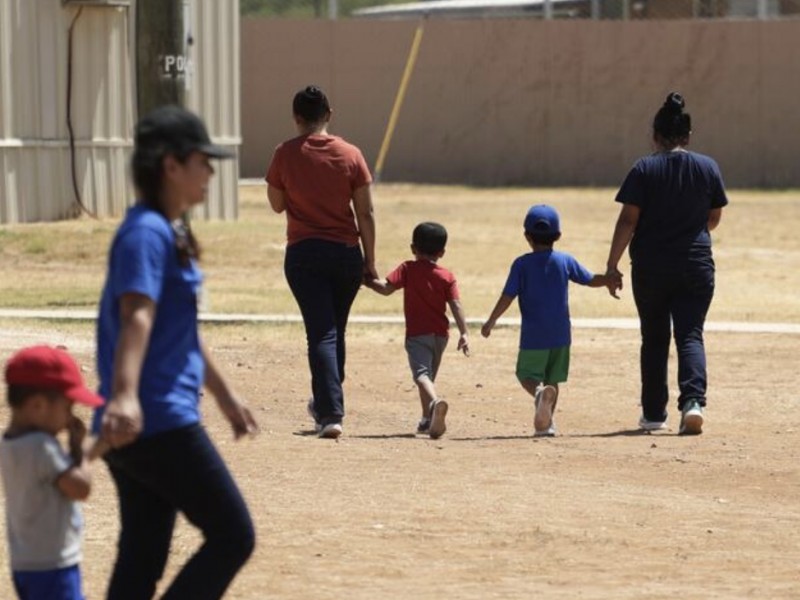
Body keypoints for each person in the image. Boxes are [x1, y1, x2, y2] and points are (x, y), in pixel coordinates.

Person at [94, 105, 258, 600]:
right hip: (155, 419)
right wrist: (125, 395)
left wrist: (225, 396)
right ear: (171, 165)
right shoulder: (147, 232)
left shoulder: (166, 229)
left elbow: (180, 328)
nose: (210, 172)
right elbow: (136, 316)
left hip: (144, 420)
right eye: (202, 162)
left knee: (141, 556)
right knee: (233, 535)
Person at [605, 92, 727, 436]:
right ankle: (693, 402)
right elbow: (713, 218)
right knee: (690, 335)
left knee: (654, 337)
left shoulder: (644, 169)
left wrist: (612, 265)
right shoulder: (707, 167)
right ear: (687, 136)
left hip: (651, 268)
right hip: (696, 265)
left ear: (655, 135)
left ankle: (653, 413)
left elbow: (628, 220)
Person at [265, 85, 377, 439]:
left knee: (322, 332)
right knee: (334, 330)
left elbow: (276, 204)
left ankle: (329, 411)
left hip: (304, 253)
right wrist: (370, 261)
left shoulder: (284, 154)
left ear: (296, 118)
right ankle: (326, 401)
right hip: (345, 253)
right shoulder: (351, 154)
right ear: (329, 114)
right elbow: (366, 212)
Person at [481, 205, 619, 437]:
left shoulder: (521, 264)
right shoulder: (565, 260)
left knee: (527, 375)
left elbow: (508, 295)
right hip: (561, 334)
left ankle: (538, 396)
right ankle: (547, 424)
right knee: (552, 380)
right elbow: (589, 279)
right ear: (558, 235)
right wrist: (608, 280)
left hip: (534, 335)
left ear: (527, 236)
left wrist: (492, 320)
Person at [1, 345, 106, 600]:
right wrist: (81, 448)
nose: (69, 418)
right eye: (67, 408)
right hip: (53, 566)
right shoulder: (41, 446)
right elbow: (80, 488)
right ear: (37, 405)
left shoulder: (9, 443)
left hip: (25, 563)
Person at [365, 222, 469, 439]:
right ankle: (426, 419)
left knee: (421, 376)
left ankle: (435, 403)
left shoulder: (408, 269)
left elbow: (386, 289)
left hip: (417, 334)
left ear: (413, 248)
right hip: (441, 335)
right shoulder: (447, 276)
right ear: (442, 252)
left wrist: (366, 280)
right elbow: (456, 304)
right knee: (428, 378)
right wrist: (464, 333)